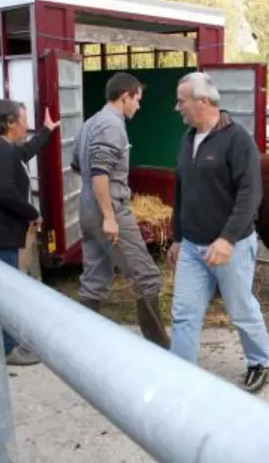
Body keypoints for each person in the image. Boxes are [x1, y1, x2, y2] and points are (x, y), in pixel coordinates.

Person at [168, 71, 269, 393]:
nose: (176, 107)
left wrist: (227, 238)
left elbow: (250, 195)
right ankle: (179, 374)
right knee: (183, 313)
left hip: (232, 247)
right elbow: (181, 192)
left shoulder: (237, 139)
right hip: (191, 247)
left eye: (181, 100)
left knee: (240, 310)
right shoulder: (188, 140)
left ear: (202, 101)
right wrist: (175, 237)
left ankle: (259, 362)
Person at [70, 72, 170, 348]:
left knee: (94, 278)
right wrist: (110, 216)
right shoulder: (111, 125)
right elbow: (100, 172)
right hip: (109, 211)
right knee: (147, 277)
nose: (138, 105)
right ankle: (161, 348)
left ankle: (84, 343)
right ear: (124, 96)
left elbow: (77, 165)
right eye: (137, 99)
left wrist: (95, 202)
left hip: (88, 210)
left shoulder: (90, 123)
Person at [0, 99, 60, 366]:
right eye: (24, 121)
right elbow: (5, 192)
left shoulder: (2, 147)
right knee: (4, 292)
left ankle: (4, 342)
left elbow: (26, 152)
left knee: (1, 289)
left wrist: (46, 131)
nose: (26, 126)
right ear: (10, 123)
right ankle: (8, 349)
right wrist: (32, 214)